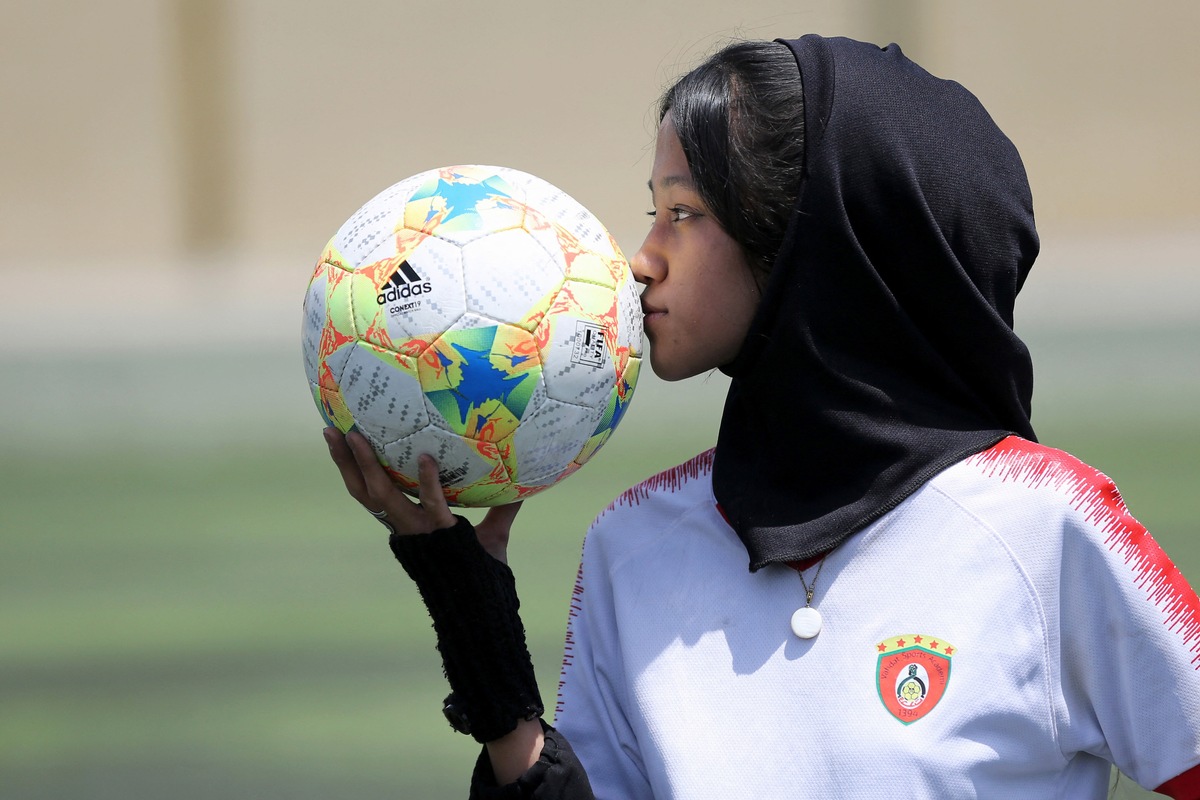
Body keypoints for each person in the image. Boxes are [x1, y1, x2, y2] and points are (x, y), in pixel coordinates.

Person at [323, 34, 1200, 799]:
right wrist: (489, 671)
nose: (642, 259)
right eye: (651, 211)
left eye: (683, 213)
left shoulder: (1044, 530)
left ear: (809, 242)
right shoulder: (631, 545)